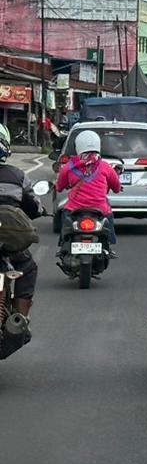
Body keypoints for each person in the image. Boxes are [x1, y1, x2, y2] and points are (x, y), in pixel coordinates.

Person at [0, 124, 42, 325]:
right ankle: (20, 318)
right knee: (28, 266)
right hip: (9, 243)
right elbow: (33, 207)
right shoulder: (17, 176)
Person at [54, 130, 121, 252]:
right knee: (109, 214)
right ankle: (109, 244)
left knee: (65, 217)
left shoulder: (69, 166)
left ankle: (63, 243)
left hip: (74, 209)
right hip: (100, 209)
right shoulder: (105, 166)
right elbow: (116, 188)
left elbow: (59, 187)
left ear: (78, 146)